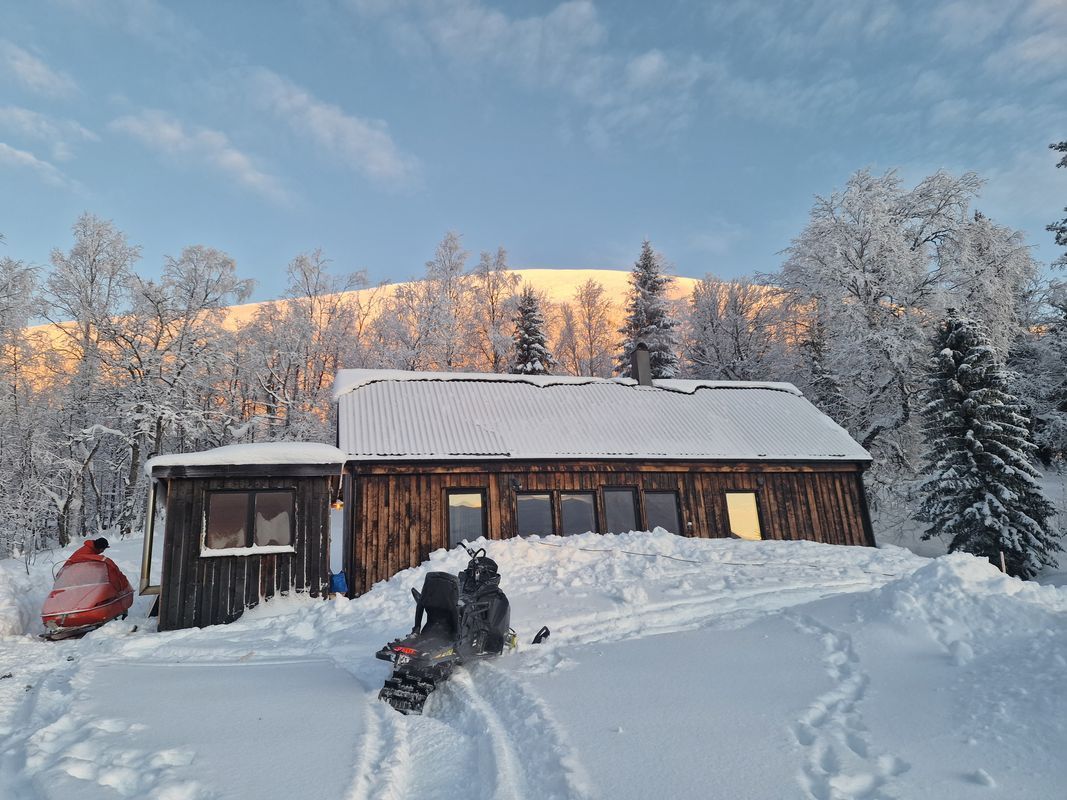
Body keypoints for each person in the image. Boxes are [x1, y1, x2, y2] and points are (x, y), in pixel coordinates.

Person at [66, 536, 132, 595]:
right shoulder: (87, 552)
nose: (103, 551)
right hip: (70, 575)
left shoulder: (90, 549)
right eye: (103, 549)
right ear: (100, 548)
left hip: (73, 573)